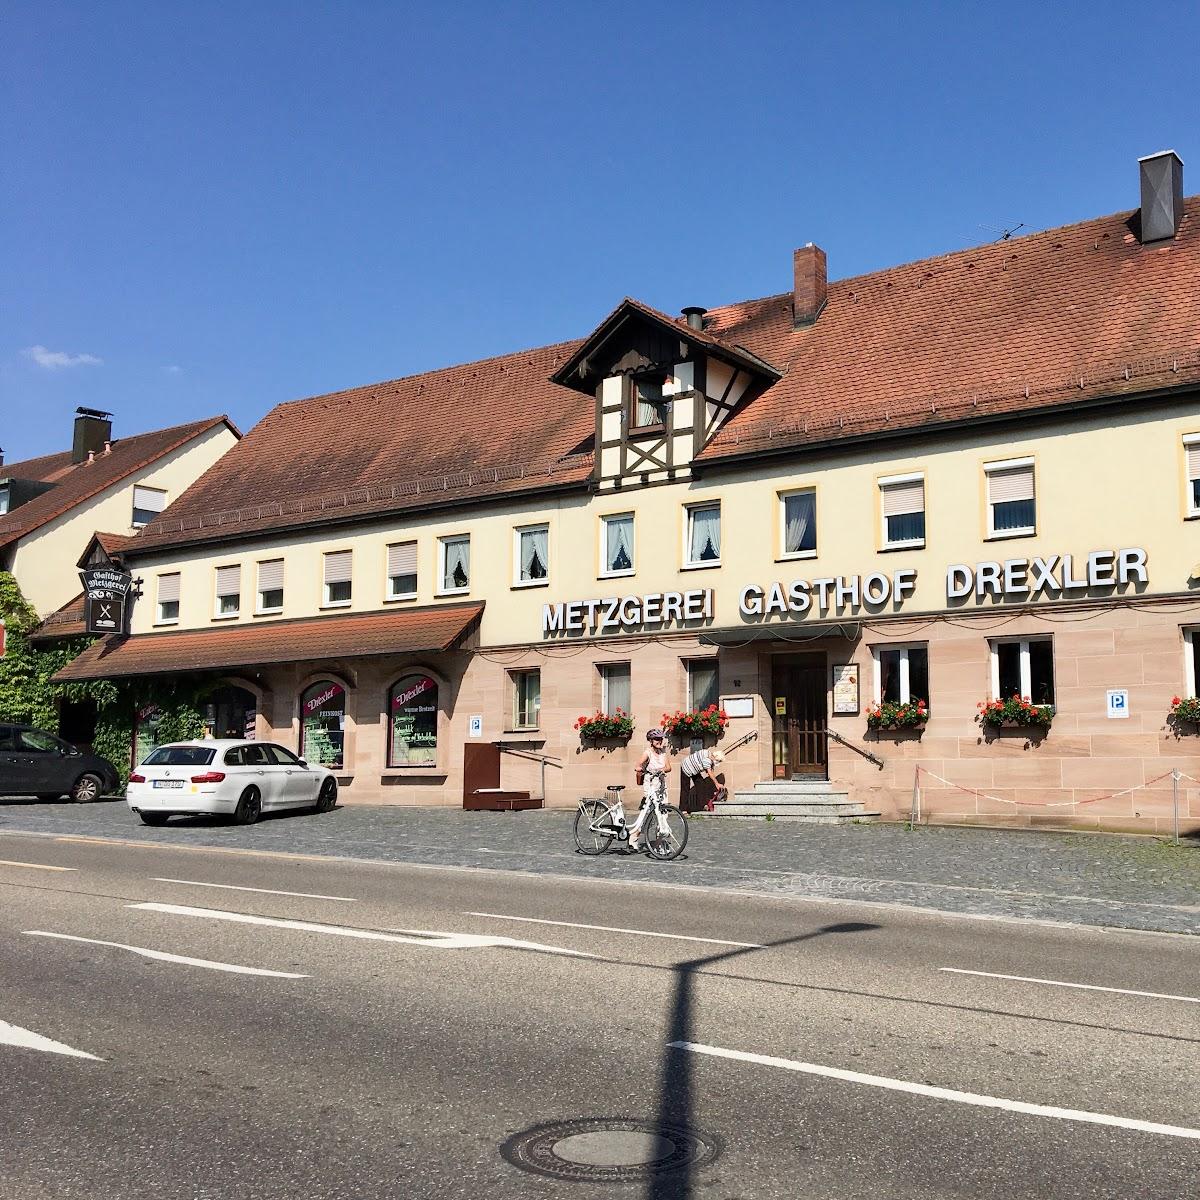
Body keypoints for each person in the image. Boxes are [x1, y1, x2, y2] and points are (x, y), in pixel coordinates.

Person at [629, 729, 672, 853]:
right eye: (657, 739)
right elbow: (638, 765)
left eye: (661, 739)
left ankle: (659, 843)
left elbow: (669, 767)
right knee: (650, 814)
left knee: (663, 815)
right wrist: (639, 769)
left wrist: (663, 769)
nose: (660, 741)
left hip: (662, 787)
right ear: (651, 741)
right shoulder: (647, 753)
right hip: (651, 787)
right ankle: (635, 835)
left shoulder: (663, 752)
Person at [679, 747, 726, 812]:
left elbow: (711, 771)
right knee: (685, 789)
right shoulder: (707, 760)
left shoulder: (708, 753)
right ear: (716, 758)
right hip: (686, 767)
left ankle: (701, 805)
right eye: (719, 761)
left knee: (701, 785)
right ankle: (683, 809)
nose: (719, 762)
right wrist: (717, 783)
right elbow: (709, 773)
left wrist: (715, 780)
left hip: (694, 769)